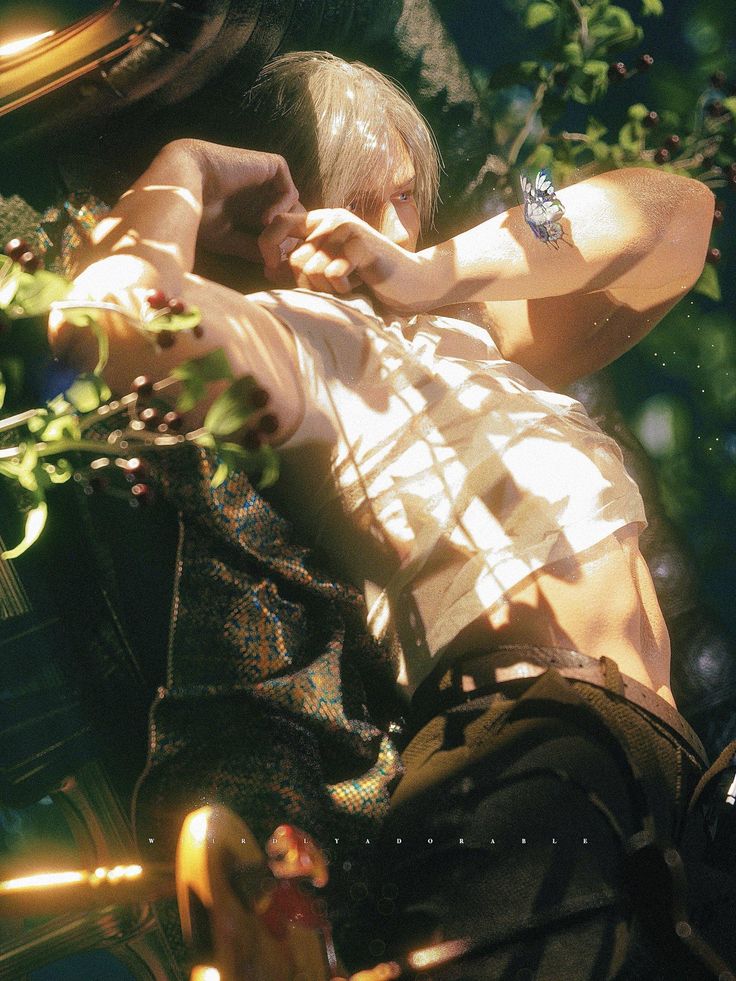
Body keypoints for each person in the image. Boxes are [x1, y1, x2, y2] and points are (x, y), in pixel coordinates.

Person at [49, 51, 729, 980]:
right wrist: (188, 166)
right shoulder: (294, 345)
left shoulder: (479, 332)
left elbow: (674, 215)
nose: (388, 227)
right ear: (270, 225)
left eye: (404, 197)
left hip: (662, 767)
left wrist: (433, 274)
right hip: (528, 753)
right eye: (357, 201)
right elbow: (109, 315)